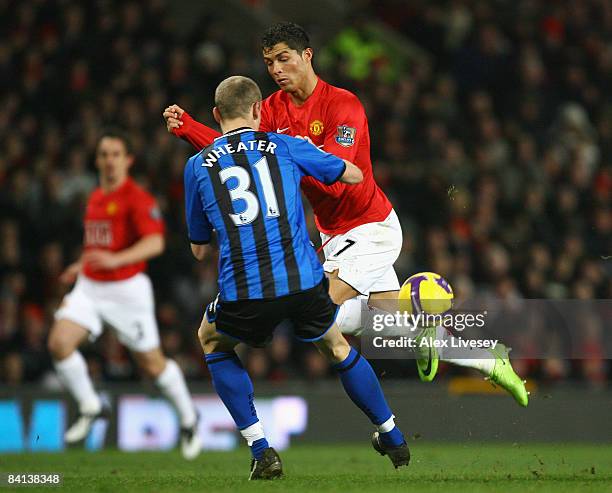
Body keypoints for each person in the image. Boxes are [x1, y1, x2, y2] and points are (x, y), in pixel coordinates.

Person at [164, 22, 528, 406]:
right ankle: (488, 359)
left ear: (307, 56)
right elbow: (236, 148)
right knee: (390, 324)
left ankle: (397, 392)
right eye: (269, 62)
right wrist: (191, 129)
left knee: (318, 312)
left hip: (372, 228)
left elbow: (339, 181)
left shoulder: (343, 105)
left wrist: (295, 157)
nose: (275, 70)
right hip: (333, 235)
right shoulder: (270, 110)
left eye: (283, 59)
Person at [185, 75, 409, 479]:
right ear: (258, 111)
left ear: (217, 115)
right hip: (303, 280)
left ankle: (261, 449)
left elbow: (199, 248)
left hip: (245, 289)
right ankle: (391, 434)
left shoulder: (195, 165)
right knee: (336, 345)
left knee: (212, 340)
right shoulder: (286, 145)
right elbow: (351, 174)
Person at [47, 129, 202, 460]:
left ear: (128, 160)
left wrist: (115, 259)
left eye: (115, 154)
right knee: (59, 344)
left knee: (151, 364)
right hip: (90, 285)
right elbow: (98, 245)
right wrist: (79, 265)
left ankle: (189, 419)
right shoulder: (95, 196)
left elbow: (155, 243)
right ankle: (91, 405)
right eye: (103, 154)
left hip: (126, 290)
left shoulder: (138, 199)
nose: (108, 160)